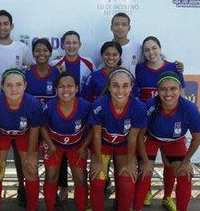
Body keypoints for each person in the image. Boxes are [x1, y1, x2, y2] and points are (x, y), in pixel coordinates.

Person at [0, 10, 33, 206]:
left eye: (6, 23)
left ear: (12, 26)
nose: (2, 27)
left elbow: (32, 67)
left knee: (21, 154)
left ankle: (22, 187)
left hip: (18, 109)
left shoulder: (22, 48)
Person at [133, 72, 200, 211]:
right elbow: (139, 136)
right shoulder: (150, 106)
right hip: (151, 138)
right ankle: (137, 208)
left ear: (180, 89)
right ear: (157, 91)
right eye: (163, 89)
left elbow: (197, 137)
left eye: (173, 88)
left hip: (175, 141)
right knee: (145, 172)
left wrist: (186, 162)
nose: (168, 93)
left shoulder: (189, 108)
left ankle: (168, 198)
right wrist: (146, 162)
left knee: (185, 174)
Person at [135, 36, 185, 209]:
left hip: (170, 126)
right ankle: (147, 192)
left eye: (154, 48)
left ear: (160, 48)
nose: (151, 52)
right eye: (147, 49)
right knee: (145, 164)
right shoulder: (139, 69)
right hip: (148, 126)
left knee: (170, 164)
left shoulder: (174, 67)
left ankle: (167, 196)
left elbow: (182, 96)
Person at [88, 67, 147, 211]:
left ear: (132, 87)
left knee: (127, 182)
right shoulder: (99, 105)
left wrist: (130, 162)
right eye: (115, 85)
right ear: (108, 86)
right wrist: (97, 160)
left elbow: (133, 137)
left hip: (124, 147)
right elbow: (96, 135)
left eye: (125, 86)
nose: (120, 90)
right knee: (97, 181)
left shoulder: (139, 107)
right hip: (103, 146)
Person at [0, 68, 41, 211]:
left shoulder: (33, 104)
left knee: (30, 169)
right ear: (2, 86)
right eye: (9, 85)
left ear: (25, 86)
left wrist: (30, 155)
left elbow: (35, 132)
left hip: (25, 135)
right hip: (1, 134)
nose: (14, 89)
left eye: (18, 84)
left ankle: (32, 208)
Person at [50, 30, 95, 204]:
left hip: (83, 114)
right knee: (60, 154)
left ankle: (84, 194)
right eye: (67, 43)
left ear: (80, 45)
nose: (71, 46)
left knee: (80, 155)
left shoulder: (89, 63)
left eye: (74, 42)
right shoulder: (55, 63)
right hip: (62, 113)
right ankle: (63, 187)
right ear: (62, 45)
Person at [40, 71, 91, 211]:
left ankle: (81, 207)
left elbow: (91, 129)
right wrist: (50, 145)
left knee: (80, 178)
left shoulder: (85, 106)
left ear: (76, 88)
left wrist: (84, 147)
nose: (66, 90)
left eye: (70, 86)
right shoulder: (49, 106)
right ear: (56, 90)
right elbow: (42, 127)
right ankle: (50, 208)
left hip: (77, 145)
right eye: (62, 86)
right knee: (51, 176)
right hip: (54, 144)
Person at [25, 38, 60, 105]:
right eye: (37, 51)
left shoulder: (57, 72)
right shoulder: (26, 73)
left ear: (50, 53)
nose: (41, 53)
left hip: (51, 114)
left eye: (45, 50)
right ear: (33, 53)